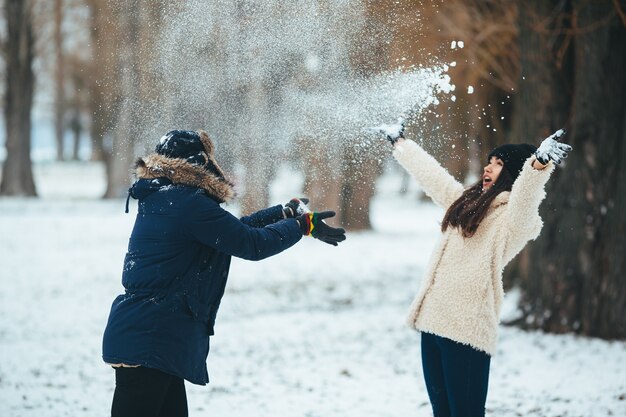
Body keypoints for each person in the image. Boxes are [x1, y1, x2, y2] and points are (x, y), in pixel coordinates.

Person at [102, 129, 346, 417]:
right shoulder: (187, 204)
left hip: (151, 338)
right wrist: (304, 226)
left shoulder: (166, 198)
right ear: (198, 162)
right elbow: (250, 244)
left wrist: (282, 214)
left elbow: (229, 232)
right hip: (152, 339)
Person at [376, 122, 571, 417]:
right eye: (490, 161)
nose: (489, 167)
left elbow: (525, 199)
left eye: (499, 163)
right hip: (432, 324)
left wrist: (537, 166)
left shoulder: (512, 222)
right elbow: (434, 178)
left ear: (512, 173)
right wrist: (401, 144)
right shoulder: (466, 204)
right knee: (441, 412)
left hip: (466, 331)